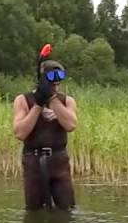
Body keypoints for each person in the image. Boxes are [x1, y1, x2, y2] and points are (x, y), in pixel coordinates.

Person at [11, 59, 79, 210]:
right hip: (33, 161)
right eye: (52, 83)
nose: (56, 86)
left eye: (58, 83)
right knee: (34, 211)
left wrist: (52, 100)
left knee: (67, 209)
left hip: (59, 161)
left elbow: (71, 125)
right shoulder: (23, 100)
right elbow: (20, 133)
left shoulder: (66, 101)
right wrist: (38, 105)